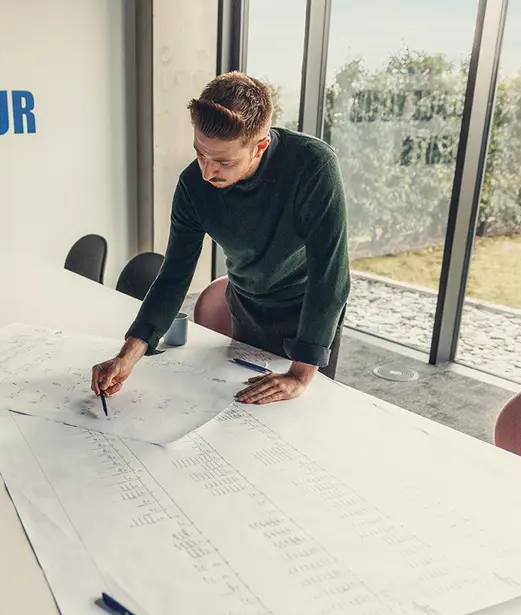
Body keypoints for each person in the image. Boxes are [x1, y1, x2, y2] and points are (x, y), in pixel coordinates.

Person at [92, 72, 351, 405]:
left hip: (309, 310)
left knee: (303, 411)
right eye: (200, 154)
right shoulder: (193, 185)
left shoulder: (314, 167)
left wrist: (300, 375)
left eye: (223, 161)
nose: (207, 172)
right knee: (243, 409)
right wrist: (128, 354)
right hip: (246, 305)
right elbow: (173, 277)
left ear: (260, 146)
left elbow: (330, 278)